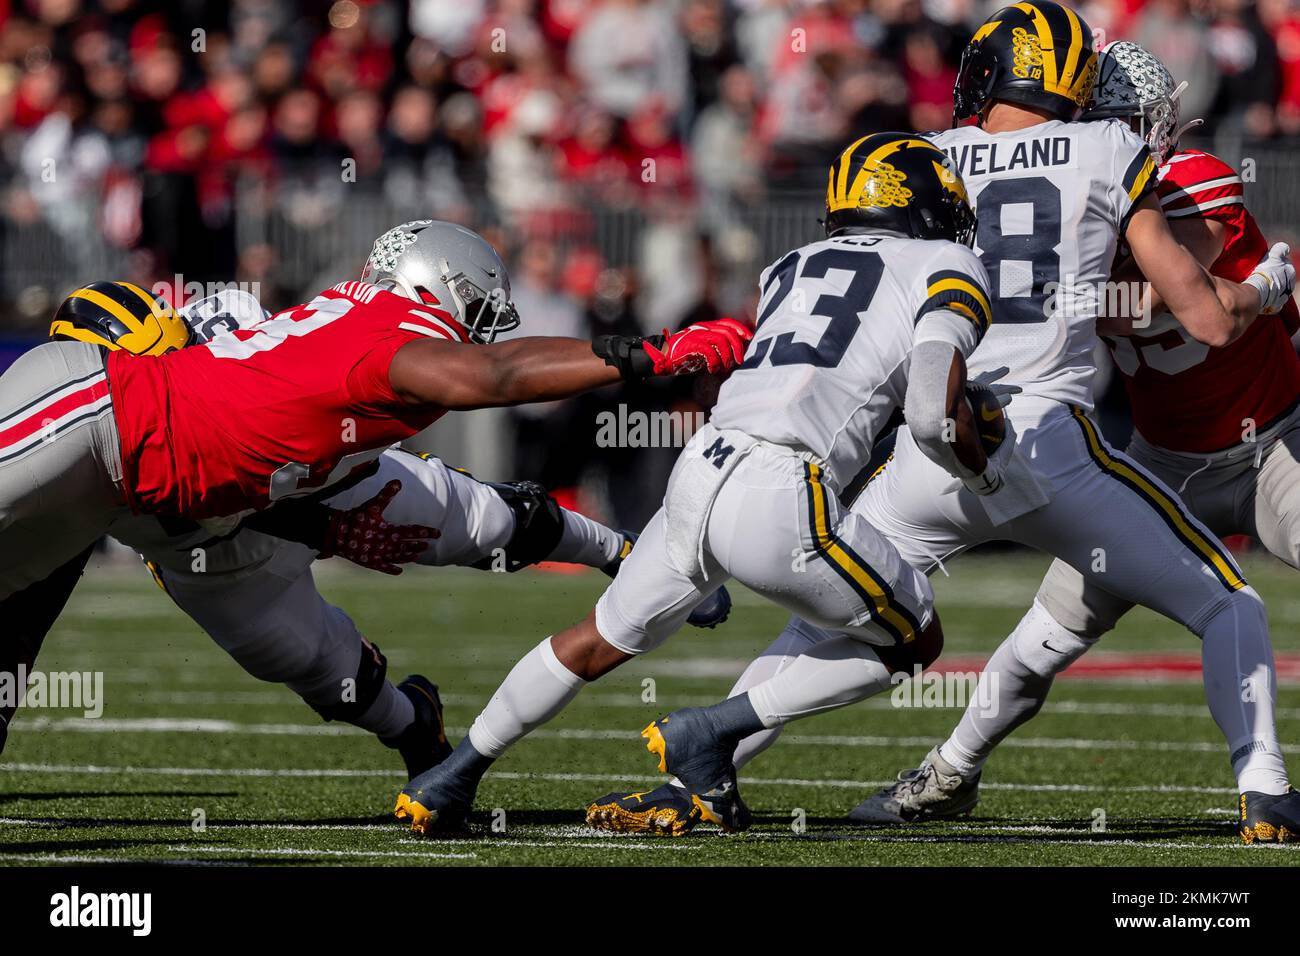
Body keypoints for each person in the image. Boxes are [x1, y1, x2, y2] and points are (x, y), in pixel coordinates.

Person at [583, 3, 1300, 844]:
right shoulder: (1112, 148)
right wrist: (1270, 283)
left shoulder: (931, 157)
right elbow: (1208, 319)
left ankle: (693, 776)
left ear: (993, 74)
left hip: (939, 432)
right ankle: (1264, 792)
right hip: (1043, 441)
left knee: (823, 620)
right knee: (1229, 605)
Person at [393, 131, 1002, 834]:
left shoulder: (791, 265)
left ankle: (453, 773)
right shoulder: (946, 261)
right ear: (920, 199)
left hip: (702, 466)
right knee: (914, 642)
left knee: (599, 638)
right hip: (784, 488)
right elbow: (930, 413)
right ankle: (713, 729)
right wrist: (979, 471)